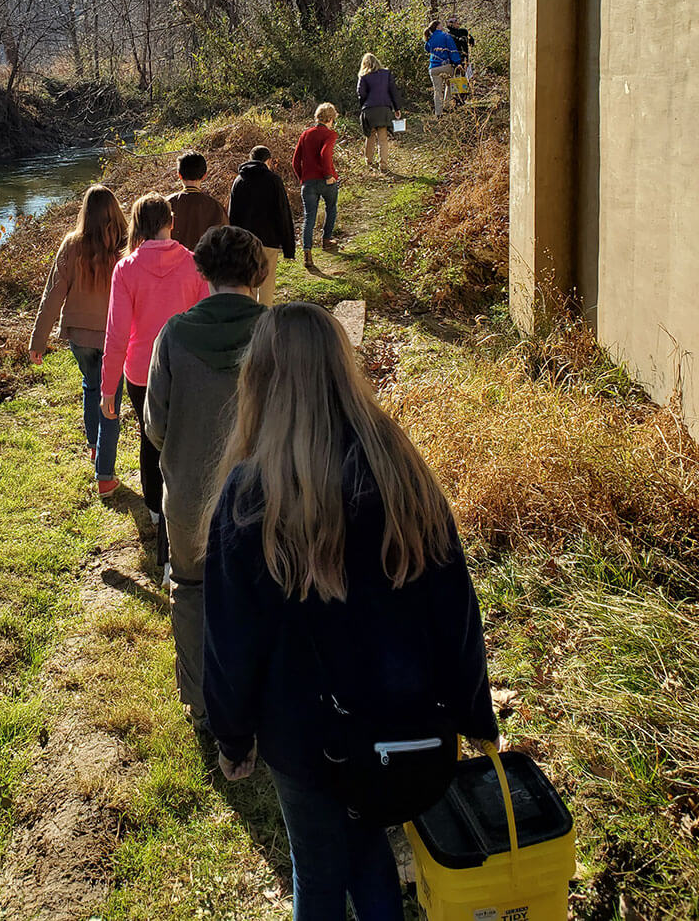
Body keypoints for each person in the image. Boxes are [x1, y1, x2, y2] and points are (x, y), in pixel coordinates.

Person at [203, 303, 499, 921]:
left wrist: (233, 736)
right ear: (344, 372)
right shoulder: (400, 472)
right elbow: (455, 606)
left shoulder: (250, 494)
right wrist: (474, 710)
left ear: (259, 381)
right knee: (367, 844)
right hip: (400, 723)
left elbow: (232, 640)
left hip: (302, 737)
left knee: (316, 872)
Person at [144, 225, 268, 729]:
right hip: (264, 495)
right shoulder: (276, 331)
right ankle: (257, 698)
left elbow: (154, 426)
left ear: (202, 272)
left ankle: (200, 704)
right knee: (259, 594)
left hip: (190, 496)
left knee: (192, 594)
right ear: (257, 272)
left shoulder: (173, 334)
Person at [101, 193, 209, 577]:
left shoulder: (126, 268)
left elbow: (116, 335)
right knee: (182, 444)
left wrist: (107, 387)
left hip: (141, 371)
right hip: (186, 369)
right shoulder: (195, 264)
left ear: (137, 225)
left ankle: (152, 506)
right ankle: (179, 514)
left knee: (150, 439)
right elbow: (204, 320)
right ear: (171, 221)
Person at [28, 185, 128, 498]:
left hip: (81, 335)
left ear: (85, 211)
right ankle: (105, 476)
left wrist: (38, 340)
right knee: (109, 396)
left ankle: (95, 448)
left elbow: (52, 295)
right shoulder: (127, 245)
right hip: (115, 335)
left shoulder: (72, 245)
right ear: (115, 210)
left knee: (91, 386)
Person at [227, 146, 296, 305]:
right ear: (268, 161)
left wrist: (232, 243)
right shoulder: (273, 180)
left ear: (250, 158)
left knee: (247, 284)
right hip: (269, 240)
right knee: (266, 284)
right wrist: (288, 247)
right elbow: (282, 213)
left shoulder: (239, 180)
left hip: (244, 242)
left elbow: (232, 214)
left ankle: (248, 320)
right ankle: (264, 322)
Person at [292, 103, 339, 268]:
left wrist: (302, 178)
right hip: (326, 181)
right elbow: (325, 154)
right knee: (331, 207)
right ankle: (326, 240)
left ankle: (307, 255)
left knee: (309, 217)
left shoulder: (305, 134)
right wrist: (328, 175)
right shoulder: (330, 134)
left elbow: (295, 161)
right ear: (331, 118)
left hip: (309, 182)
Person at [167, 151, 228, 252]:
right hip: (204, 265)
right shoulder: (216, 207)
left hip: (171, 265)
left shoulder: (166, 204)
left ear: (179, 175)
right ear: (204, 176)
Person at [356, 54, 403, 175]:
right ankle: (383, 165)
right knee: (383, 139)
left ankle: (369, 161)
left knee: (370, 136)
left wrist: (364, 105)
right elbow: (393, 91)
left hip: (369, 109)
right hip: (384, 109)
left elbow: (361, 93)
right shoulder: (386, 74)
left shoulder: (363, 76)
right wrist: (397, 108)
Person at [425, 19, 462, 119]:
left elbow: (427, 49)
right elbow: (452, 51)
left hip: (433, 68)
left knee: (437, 91)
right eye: (441, 25)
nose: (442, 26)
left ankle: (438, 113)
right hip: (446, 66)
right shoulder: (446, 36)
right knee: (450, 83)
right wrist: (458, 62)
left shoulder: (430, 38)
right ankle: (447, 105)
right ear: (437, 27)